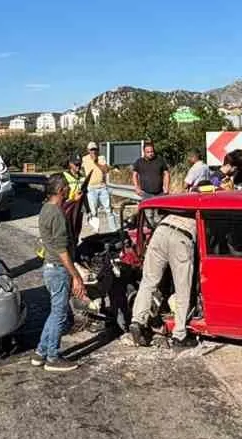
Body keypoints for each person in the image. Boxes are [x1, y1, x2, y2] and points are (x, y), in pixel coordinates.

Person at [128, 210, 198, 350]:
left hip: (161, 231)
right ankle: (179, 335)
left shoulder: (181, 200)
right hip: (182, 237)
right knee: (183, 289)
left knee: (148, 282)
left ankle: (138, 320)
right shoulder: (202, 204)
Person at [34, 177, 83, 372]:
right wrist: (76, 276)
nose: (70, 189)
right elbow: (62, 250)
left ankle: (41, 352)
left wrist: (74, 201)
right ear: (61, 190)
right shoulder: (57, 216)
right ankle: (52, 358)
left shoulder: (46, 209)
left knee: (54, 313)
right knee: (60, 315)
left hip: (49, 268)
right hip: (58, 270)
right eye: (67, 188)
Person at [82, 142, 113, 231]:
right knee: (93, 211)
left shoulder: (101, 158)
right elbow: (83, 170)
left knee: (108, 210)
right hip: (91, 188)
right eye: (91, 150)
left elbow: (106, 170)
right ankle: (96, 230)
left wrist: (96, 162)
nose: (93, 151)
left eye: (95, 149)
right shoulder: (85, 159)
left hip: (102, 187)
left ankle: (113, 229)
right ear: (88, 150)